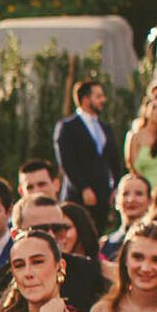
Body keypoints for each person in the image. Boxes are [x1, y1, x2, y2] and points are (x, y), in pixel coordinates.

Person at [0, 194, 104, 312]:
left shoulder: (87, 272)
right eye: (40, 231)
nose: (51, 236)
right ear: (15, 235)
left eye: (58, 229)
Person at [54, 78, 121, 212]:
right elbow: (67, 162)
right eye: (98, 97)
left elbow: (114, 161)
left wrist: (116, 188)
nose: (103, 100)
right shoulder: (67, 127)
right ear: (85, 100)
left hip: (102, 197)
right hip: (77, 197)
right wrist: (84, 188)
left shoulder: (105, 128)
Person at [99, 172, 154, 261]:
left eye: (139, 194)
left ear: (150, 201)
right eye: (125, 194)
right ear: (116, 200)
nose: (131, 199)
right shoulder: (103, 245)